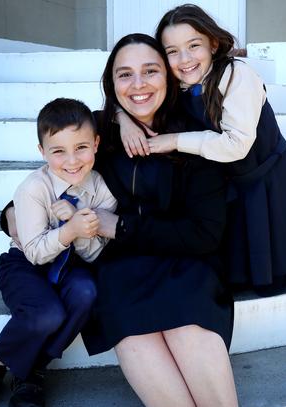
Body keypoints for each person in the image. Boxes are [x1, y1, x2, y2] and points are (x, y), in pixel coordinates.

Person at [117, 4, 286, 296]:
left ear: (212, 43)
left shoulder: (236, 75)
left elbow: (236, 144)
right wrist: (123, 119)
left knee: (277, 268)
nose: (184, 59)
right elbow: (126, 97)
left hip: (267, 180)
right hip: (230, 184)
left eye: (193, 46)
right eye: (172, 51)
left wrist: (174, 141)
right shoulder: (180, 83)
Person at [84, 34, 237, 406]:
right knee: (135, 335)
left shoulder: (194, 137)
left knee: (187, 329)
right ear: (111, 83)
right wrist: (13, 216)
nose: (138, 85)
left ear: (168, 78)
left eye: (151, 71)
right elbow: (52, 179)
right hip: (121, 270)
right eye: (125, 75)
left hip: (187, 263)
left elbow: (204, 234)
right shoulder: (96, 131)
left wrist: (118, 227)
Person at [0, 98, 117, 407]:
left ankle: (31, 371)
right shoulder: (33, 188)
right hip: (25, 265)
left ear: (96, 143)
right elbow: (35, 254)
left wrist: (78, 226)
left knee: (86, 292)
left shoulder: (100, 189)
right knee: (47, 313)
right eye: (58, 151)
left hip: (72, 264)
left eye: (81, 147)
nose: (72, 160)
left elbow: (95, 255)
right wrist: (67, 231)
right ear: (42, 151)